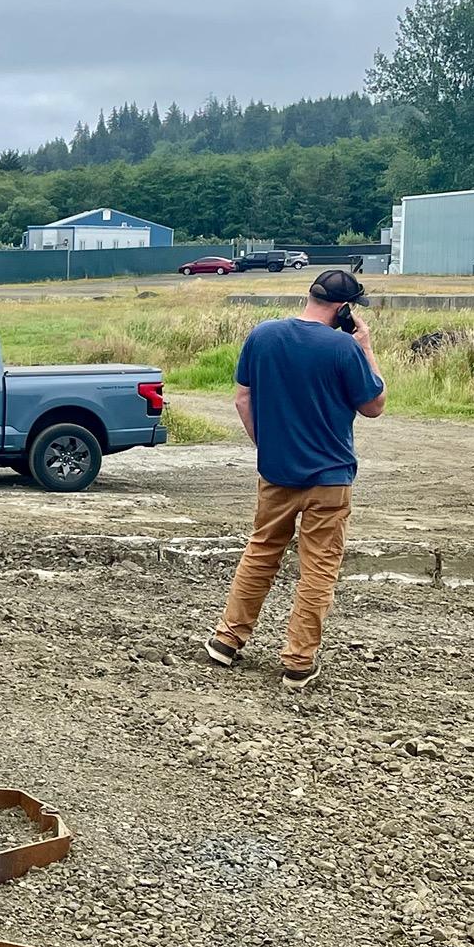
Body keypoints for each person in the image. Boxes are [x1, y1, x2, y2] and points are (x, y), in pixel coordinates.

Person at [204, 269, 386, 691]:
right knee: (318, 569)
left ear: (311, 295)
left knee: (261, 552)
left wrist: (266, 446)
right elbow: (374, 405)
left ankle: (226, 640)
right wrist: (367, 348)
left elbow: (242, 397)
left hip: (277, 472)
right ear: (344, 310)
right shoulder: (344, 347)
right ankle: (298, 662)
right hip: (330, 477)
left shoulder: (262, 335)